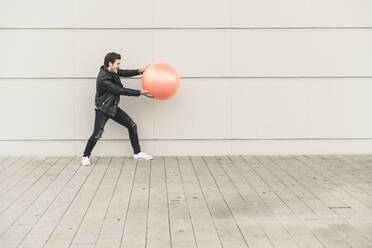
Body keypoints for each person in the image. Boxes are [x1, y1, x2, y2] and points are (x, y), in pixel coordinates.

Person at [81, 52, 154, 166]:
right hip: (103, 109)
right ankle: (85, 156)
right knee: (97, 134)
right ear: (110, 63)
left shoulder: (112, 70)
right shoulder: (103, 78)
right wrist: (140, 93)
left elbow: (124, 72)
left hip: (112, 107)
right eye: (117, 64)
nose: (119, 66)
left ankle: (137, 153)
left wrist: (140, 71)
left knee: (132, 126)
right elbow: (119, 90)